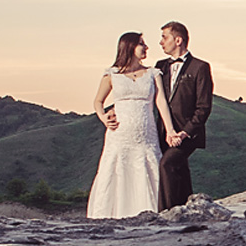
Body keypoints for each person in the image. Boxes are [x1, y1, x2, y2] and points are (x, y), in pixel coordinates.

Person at [86, 32, 180, 219]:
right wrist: (104, 117)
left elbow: (161, 102)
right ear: (129, 47)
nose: (146, 48)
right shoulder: (112, 74)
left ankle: (152, 214)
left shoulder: (153, 74)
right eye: (141, 44)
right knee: (116, 170)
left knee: (148, 169)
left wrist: (170, 130)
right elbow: (98, 101)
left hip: (146, 135)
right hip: (119, 135)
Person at [155, 21, 214, 210]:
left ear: (178, 40)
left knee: (167, 164)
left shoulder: (200, 67)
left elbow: (204, 107)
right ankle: (186, 209)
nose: (160, 42)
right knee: (179, 169)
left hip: (187, 133)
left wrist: (184, 132)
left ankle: (166, 214)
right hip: (162, 131)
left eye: (164, 37)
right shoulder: (159, 66)